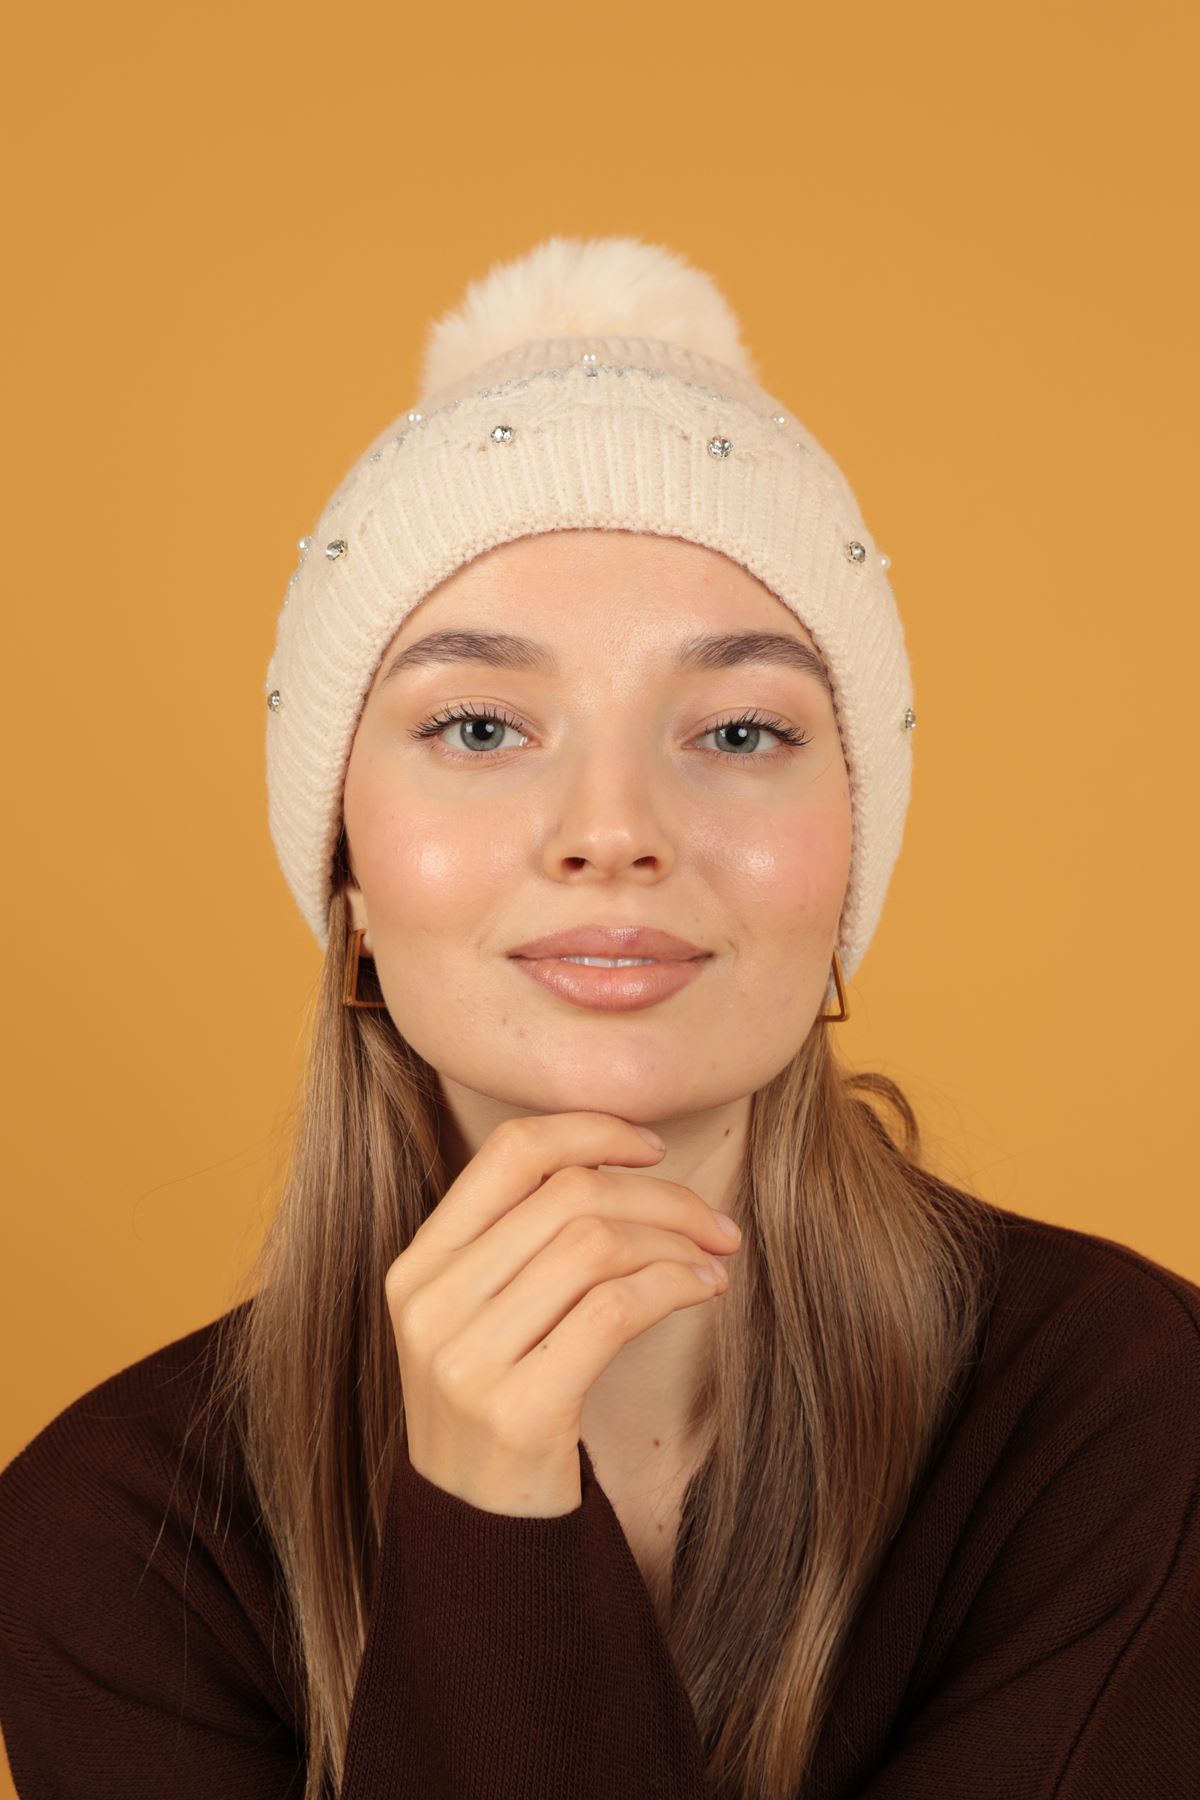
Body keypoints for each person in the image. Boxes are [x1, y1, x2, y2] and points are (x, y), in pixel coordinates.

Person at [1, 234, 1197, 1800]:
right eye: (480, 724)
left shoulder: (1127, 1410)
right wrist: (486, 1506)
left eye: (742, 727)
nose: (614, 827)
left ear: (847, 866)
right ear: (348, 866)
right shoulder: (116, 1539)